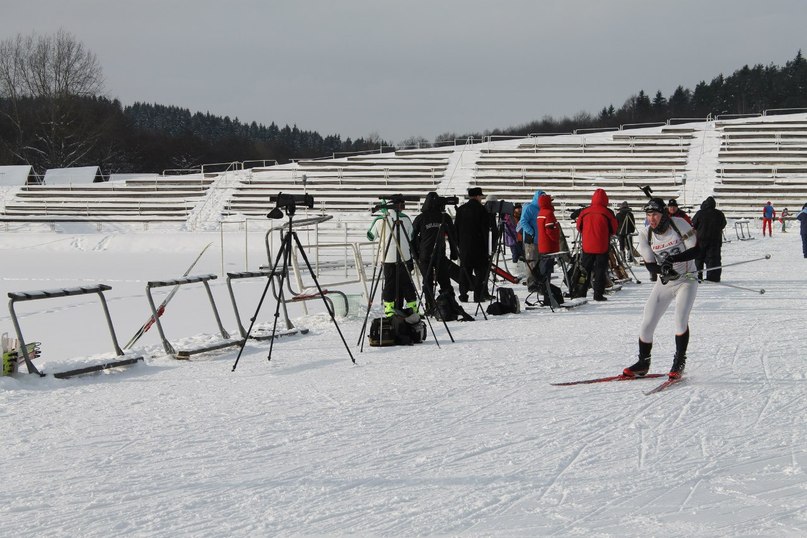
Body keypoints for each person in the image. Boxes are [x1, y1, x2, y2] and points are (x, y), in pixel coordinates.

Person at [624, 197, 699, 380]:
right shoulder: (645, 234)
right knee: (647, 322)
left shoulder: (679, 224)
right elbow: (650, 265)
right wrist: (662, 270)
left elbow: (696, 249)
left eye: (655, 214)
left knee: (680, 319)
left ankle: (679, 362)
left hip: (687, 279)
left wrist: (673, 261)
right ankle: (643, 363)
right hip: (666, 282)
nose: (652, 219)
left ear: (663, 214)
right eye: (649, 215)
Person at [367, 195, 418, 318]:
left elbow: (370, 236)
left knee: (389, 283)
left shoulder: (380, 219)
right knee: (407, 283)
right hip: (404, 256)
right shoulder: (405, 219)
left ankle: (389, 308)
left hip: (387, 258)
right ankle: (412, 307)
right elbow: (411, 236)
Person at [411, 192, 459, 314]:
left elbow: (411, 238)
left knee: (427, 281)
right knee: (444, 281)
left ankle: (430, 306)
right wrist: (454, 252)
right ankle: (449, 304)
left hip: (424, 255)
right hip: (439, 254)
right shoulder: (444, 217)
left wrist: (415, 255)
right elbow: (453, 237)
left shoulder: (420, 218)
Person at [575, 188, 618, 301]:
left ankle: (581, 292)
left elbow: (579, 226)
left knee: (584, 271)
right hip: (602, 246)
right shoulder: (607, 213)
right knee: (600, 271)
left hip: (587, 246)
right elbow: (614, 228)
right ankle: (598, 294)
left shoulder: (585, 211)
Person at [455, 187, 493, 302]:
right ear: (477, 196)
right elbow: (486, 230)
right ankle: (478, 295)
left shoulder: (461, 209)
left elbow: (455, 228)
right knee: (480, 272)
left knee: (465, 270)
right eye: (481, 196)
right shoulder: (482, 210)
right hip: (479, 246)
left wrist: (459, 244)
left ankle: (463, 294)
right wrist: (488, 248)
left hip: (464, 247)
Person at [518, 189, 545, 291]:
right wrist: (531, 232)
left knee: (538, 263)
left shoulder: (541, 209)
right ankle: (531, 284)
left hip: (540, 240)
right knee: (531, 263)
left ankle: (538, 282)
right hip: (531, 241)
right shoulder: (530, 208)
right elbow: (523, 221)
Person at [535, 193, 560, 295]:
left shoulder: (540, 213)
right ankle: (546, 290)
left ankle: (544, 288)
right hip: (549, 245)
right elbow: (550, 230)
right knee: (547, 269)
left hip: (542, 244)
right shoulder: (549, 214)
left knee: (543, 268)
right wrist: (556, 238)